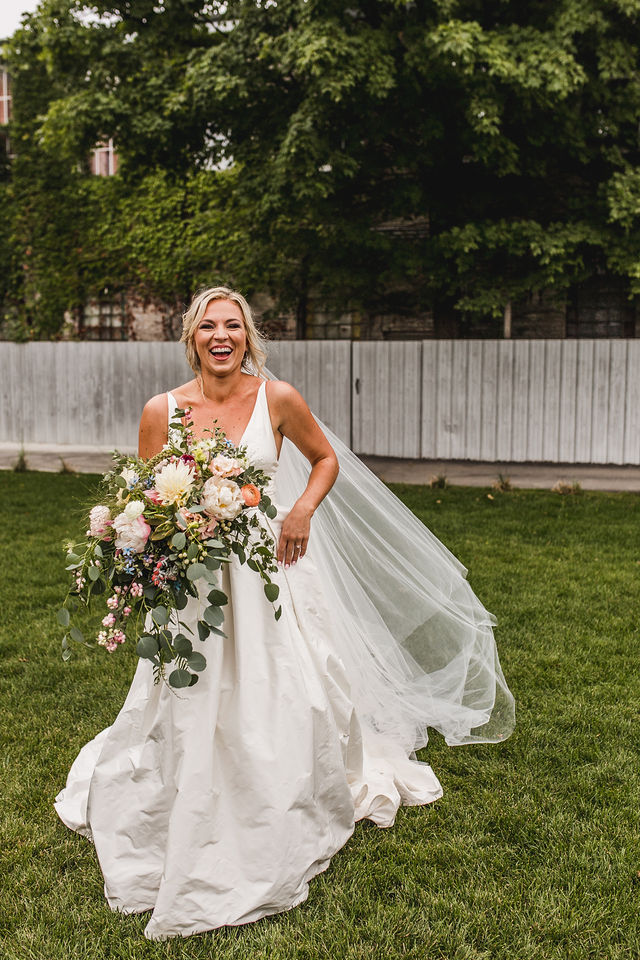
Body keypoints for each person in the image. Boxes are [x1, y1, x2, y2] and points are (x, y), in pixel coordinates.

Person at [55, 285, 514, 941]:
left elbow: (325, 460)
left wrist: (299, 511)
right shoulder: (162, 410)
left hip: (272, 571)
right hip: (194, 586)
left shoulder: (279, 398)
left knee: (293, 686)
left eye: (232, 326)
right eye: (209, 326)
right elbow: (146, 501)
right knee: (191, 696)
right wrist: (139, 562)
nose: (221, 336)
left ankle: (281, 794)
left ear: (247, 336)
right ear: (191, 338)